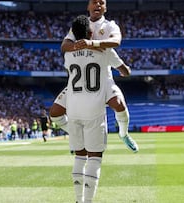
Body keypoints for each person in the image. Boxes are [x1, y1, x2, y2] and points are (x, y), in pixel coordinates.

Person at [50, 0, 138, 153]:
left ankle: (124, 134)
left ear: (105, 7)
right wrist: (78, 46)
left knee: (119, 104)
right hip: (80, 78)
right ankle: (78, 135)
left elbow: (116, 41)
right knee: (55, 113)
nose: (97, 5)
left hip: (102, 76)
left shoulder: (110, 25)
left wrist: (92, 44)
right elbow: (64, 46)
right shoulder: (80, 24)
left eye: (101, 2)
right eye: (94, 2)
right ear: (88, 6)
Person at [63, 15, 131, 203]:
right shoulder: (103, 51)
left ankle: (78, 200)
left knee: (79, 156)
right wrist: (125, 70)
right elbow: (124, 70)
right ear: (91, 33)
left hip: (73, 109)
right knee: (94, 157)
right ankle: (88, 201)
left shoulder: (68, 55)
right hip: (93, 108)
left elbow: (69, 68)